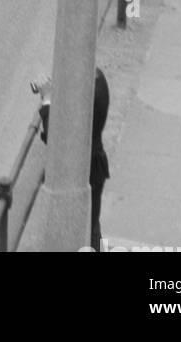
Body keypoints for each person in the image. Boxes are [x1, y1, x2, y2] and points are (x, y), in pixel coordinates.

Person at [36, 68, 110, 251]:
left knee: (83, 227)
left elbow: (57, 138)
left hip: (82, 170)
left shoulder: (86, 97)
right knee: (91, 223)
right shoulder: (97, 81)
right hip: (95, 164)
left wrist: (47, 100)